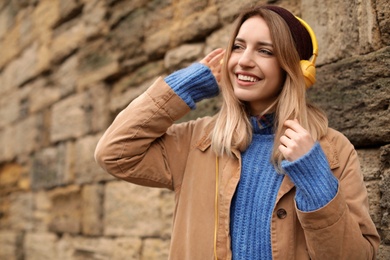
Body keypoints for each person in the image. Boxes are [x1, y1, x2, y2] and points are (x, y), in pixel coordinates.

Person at [95, 5, 380, 260]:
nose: (244, 60)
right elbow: (115, 153)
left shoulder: (333, 151)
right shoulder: (198, 141)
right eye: (239, 47)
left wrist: (316, 180)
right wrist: (186, 88)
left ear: (296, 69)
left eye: (265, 51)